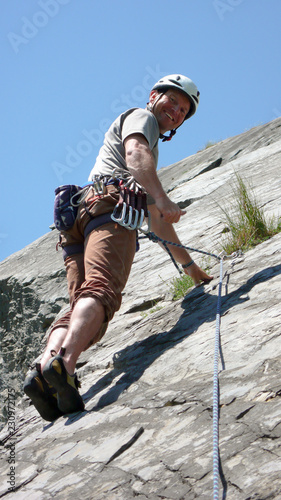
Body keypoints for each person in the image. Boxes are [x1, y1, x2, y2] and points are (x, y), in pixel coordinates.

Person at [23, 74, 213, 421]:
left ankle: (44, 367)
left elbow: (158, 224)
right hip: (110, 211)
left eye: (183, 110)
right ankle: (64, 365)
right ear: (154, 96)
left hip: (78, 217)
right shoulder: (142, 121)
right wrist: (161, 196)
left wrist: (192, 271)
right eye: (173, 101)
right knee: (102, 291)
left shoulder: (144, 153)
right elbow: (135, 153)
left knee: (83, 302)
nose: (176, 111)